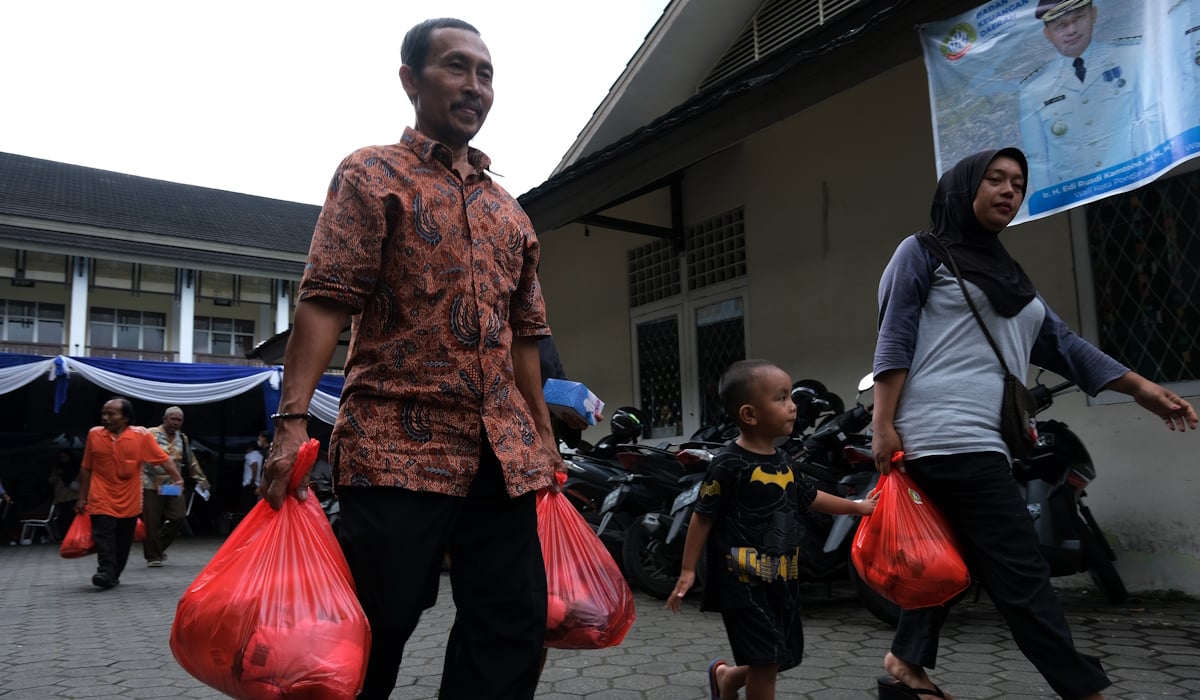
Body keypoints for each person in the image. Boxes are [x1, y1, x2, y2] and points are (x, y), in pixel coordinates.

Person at [258, 17, 562, 700]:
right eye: (457, 67)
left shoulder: (510, 211)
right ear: (410, 80)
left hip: (501, 453)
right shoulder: (371, 175)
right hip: (396, 444)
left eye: (486, 74)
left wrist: (542, 437)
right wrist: (291, 424)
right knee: (378, 620)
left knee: (511, 624)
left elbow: (526, 336)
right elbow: (326, 301)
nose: (475, 86)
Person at [871, 147, 1197, 700]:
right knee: (1021, 572)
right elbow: (894, 336)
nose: (1009, 191)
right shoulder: (921, 252)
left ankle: (905, 662)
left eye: (1018, 184)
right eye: (995, 179)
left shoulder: (1008, 273)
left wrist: (1143, 388)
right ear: (964, 188)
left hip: (987, 440)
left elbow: (1064, 345)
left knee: (959, 554)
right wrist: (883, 424)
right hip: (942, 436)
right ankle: (1083, 689)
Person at [666, 359, 880, 700]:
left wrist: (857, 507)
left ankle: (726, 679)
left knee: (783, 656)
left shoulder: (783, 461)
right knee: (765, 660)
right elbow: (702, 516)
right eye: (781, 398)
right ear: (750, 414)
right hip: (741, 581)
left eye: (790, 396)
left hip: (782, 577)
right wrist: (688, 570)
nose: (792, 406)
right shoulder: (728, 463)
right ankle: (730, 680)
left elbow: (810, 497)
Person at [1018, 0, 1162, 196]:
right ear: (1047, 34)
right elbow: (1039, 161)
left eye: (1079, 18)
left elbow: (1153, 119)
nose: (1071, 30)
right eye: (1060, 25)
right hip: (1078, 201)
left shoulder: (1131, 55)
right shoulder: (1033, 92)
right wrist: (1052, 204)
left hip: (1138, 184)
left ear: (1093, 14)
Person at [77, 397, 182, 589]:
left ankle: (113, 574)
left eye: (111, 414)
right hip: (100, 496)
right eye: (103, 414)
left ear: (125, 417)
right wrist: (82, 498)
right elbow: (86, 468)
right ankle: (105, 571)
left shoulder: (141, 436)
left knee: (122, 540)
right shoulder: (94, 434)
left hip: (129, 500)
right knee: (104, 536)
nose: (105, 418)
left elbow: (164, 459)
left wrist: (178, 479)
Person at [142, 407, 210, 567]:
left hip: (173, 484)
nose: (176, 423)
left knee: (178, 517)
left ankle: (157, 547)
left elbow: (191, 460)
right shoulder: (150, 434)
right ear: (164, 419)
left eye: (179, 420)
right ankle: (153, 557)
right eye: (173, 419)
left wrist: (201, 479)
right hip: (151, 484)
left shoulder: (183, 438)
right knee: (152, 522)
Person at [49, 450, 81, 540]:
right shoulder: (57, 469)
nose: (63, 459)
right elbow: (51, 480)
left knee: (73, 516)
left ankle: (75, 536)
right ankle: (65, 536)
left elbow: (81, 481)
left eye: (65, 457)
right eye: (61, 457)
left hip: (74, 496)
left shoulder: (76, 468)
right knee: (63, 517)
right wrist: (58, 475)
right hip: (61, 497)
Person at [241, 435, 264, 511]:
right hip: (258, 485)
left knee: (248, 507)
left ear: (250, 448)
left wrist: (252, 480)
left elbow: (254, 465)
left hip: (250, 484)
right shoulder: (261, 456)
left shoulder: (250, 455)